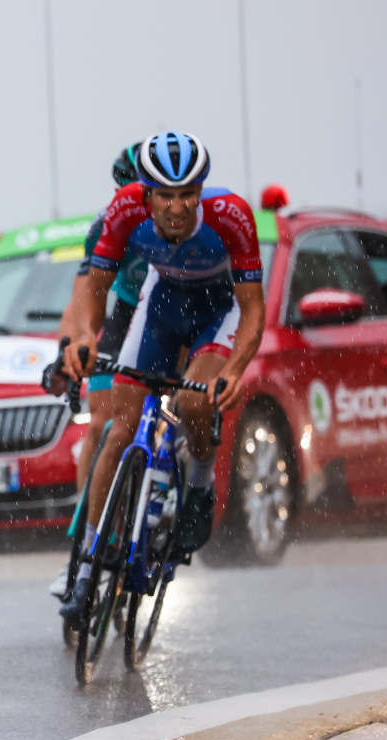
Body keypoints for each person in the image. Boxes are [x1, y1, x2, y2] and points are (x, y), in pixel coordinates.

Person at [58, 131, 265, 622]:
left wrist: (234, 370)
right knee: (116, 430)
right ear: (146, 193)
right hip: (164, 302)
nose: (176, 207)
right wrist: (87, 337)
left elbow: (253, 311)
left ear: (201, 190)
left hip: (219, 310)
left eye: (188, 194)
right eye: (165, 195)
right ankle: (87, 570)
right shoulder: (125, 210)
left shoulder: (231, 215)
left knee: (195, 403)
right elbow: (95, 289)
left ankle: (197, 480)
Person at [47, 144, 148, 599]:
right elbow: (82, 300)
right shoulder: (107, 225)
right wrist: (68, 352)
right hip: (125, 315)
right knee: (104, 425)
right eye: (122, 187)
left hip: (176, 311)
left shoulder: (186, 225)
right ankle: (90, 543)